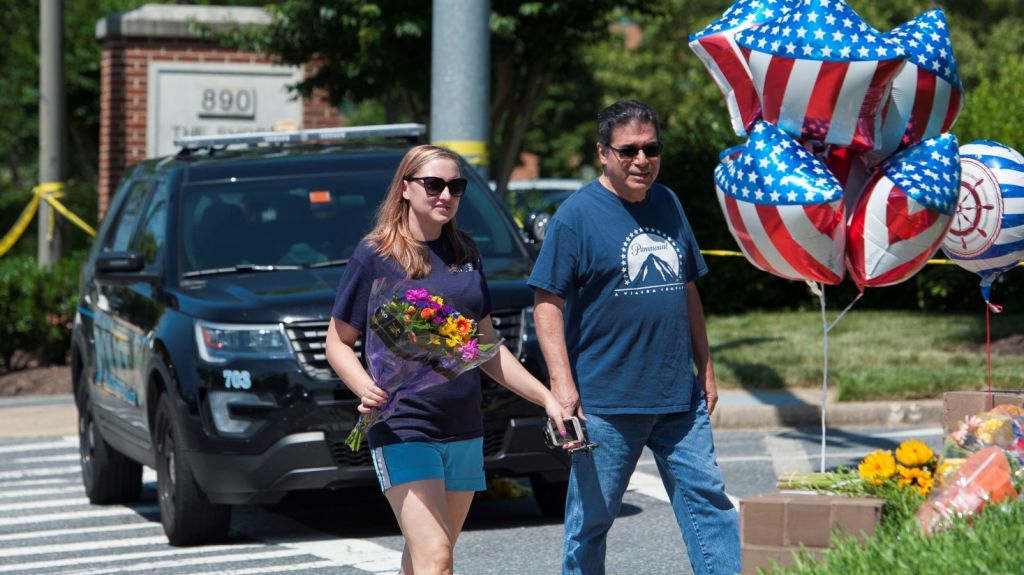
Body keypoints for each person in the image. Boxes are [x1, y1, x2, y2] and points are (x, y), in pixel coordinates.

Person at [325, 144, 571, 575]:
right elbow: (338, 341)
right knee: (438, 559)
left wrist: (546, 398)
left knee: (423, 560)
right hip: (403, 426)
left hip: (463, 428)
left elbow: (486, 348)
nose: (445, 195)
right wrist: (363, 384)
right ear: (405, 188)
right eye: (433, 184)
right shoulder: (376, 255)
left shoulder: (466, 253)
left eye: (455, 186)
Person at [528, 100, 740, 575]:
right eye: (629, 151)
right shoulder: (576, 216)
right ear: (603, 152)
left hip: (677, 399)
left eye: (651, 148)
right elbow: (547, 304)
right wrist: (563, 388)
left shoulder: (668, 202)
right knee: (590, 524)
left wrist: (705, 367)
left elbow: (688, 291)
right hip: (606, 403)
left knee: (710, 507)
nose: (642, 160)